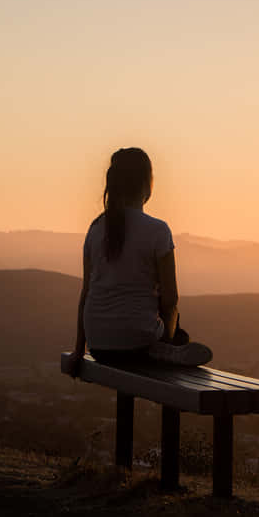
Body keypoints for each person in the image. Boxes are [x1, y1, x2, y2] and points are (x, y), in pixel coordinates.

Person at [65, 147, 212, 377]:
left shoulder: (95, 229)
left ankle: (162, 348)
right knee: (178, 329)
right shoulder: (158, 231)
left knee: (145, 324)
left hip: (99, 346)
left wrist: (78, 351)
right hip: (138, 341)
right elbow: (170, 298)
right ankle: (167, 349)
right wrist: (169, 336)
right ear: (146, 183)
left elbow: (86, 294)